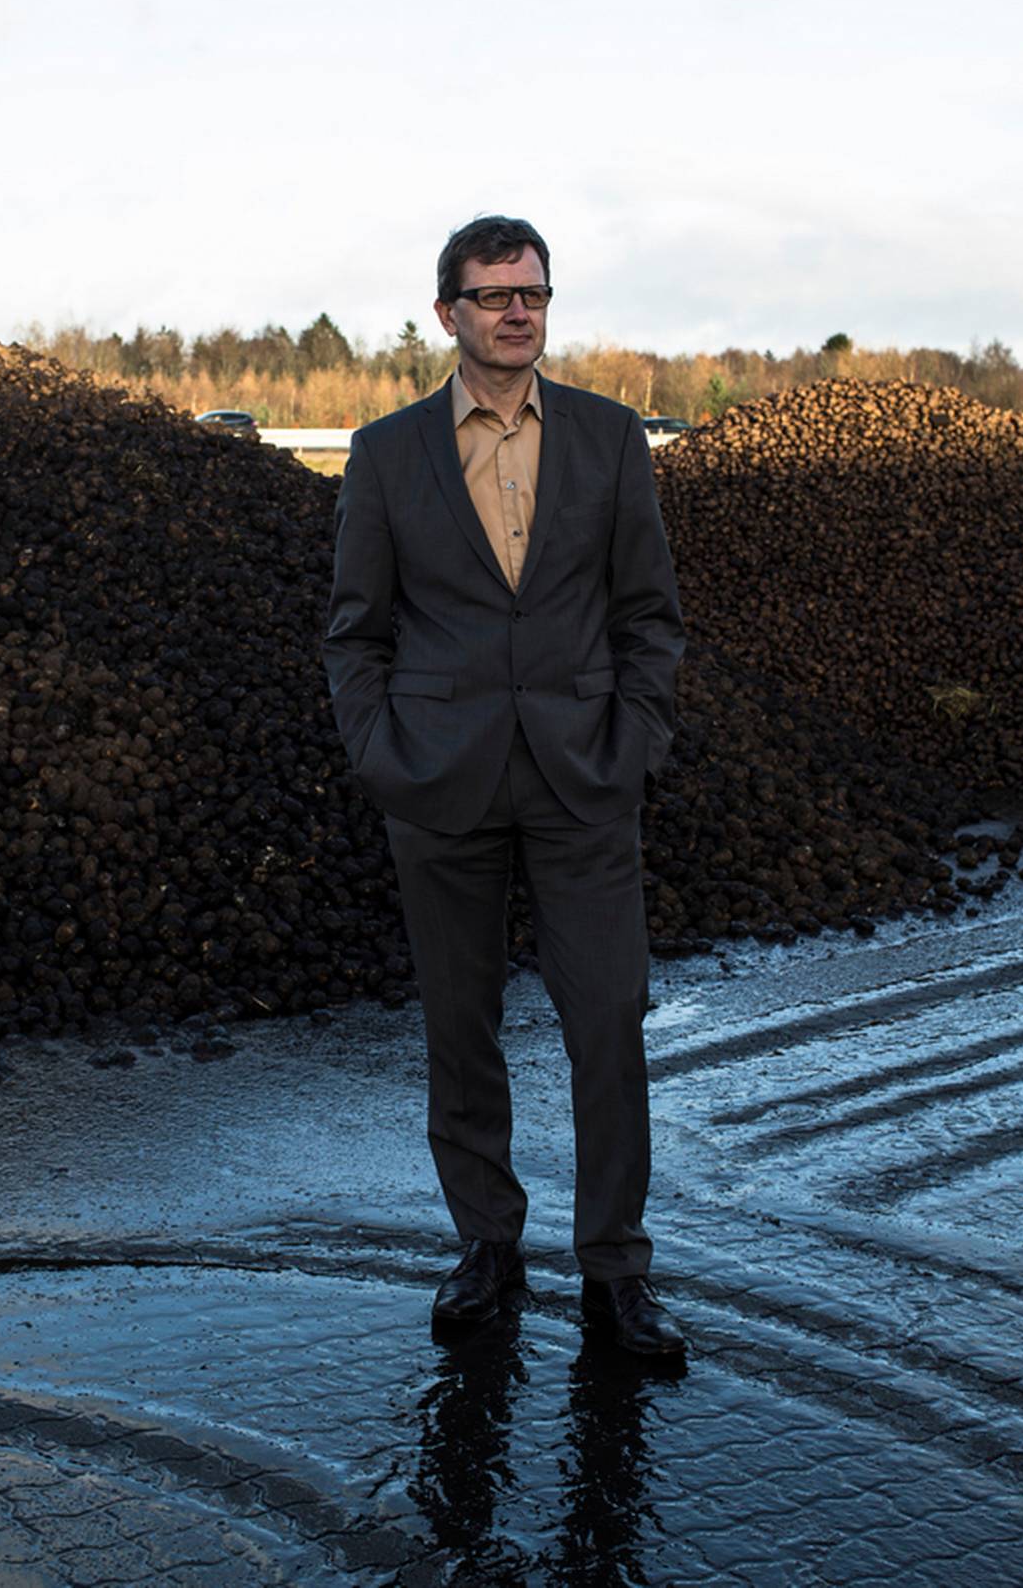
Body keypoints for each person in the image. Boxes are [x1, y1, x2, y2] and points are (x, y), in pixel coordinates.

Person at [324, 214, 688, 1357]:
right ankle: (487, 1253)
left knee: (607, 1025)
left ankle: (616, 1274)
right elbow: (355, 632)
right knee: (460, 1029)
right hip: (441, 784)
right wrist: (385, 755)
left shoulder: (608, 438)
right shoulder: (387, 454)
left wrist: (634, 745)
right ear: (448, 314)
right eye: (492, 296)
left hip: (585, 781)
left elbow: (647, 618)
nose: (516, 311)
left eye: (532, 293)